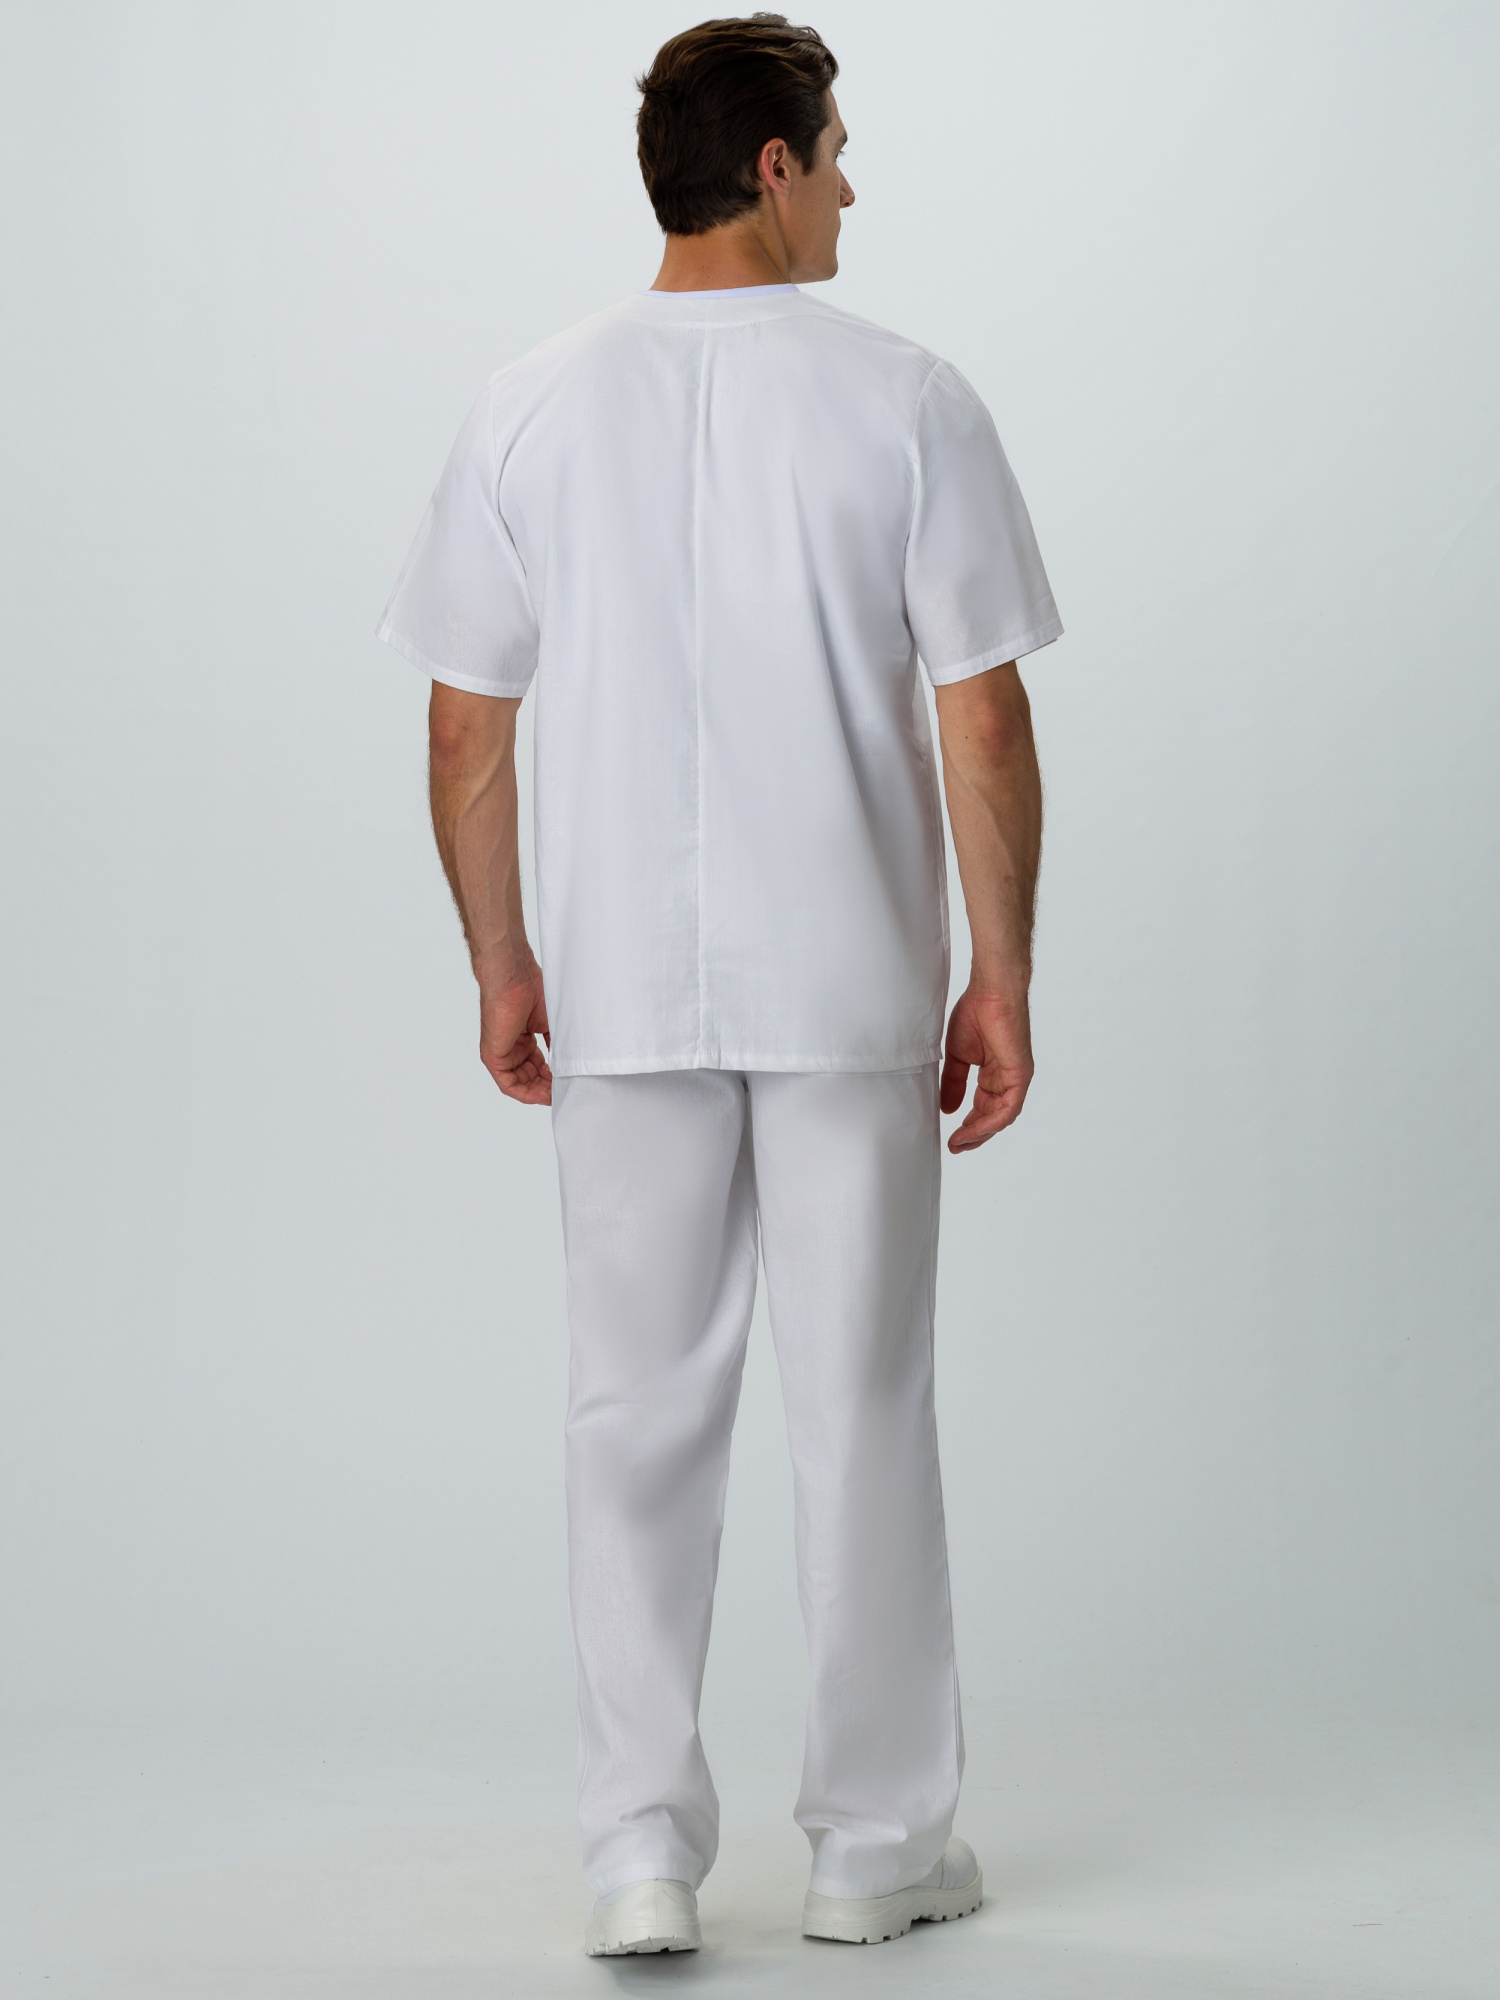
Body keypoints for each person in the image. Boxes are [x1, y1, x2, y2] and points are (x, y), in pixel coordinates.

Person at [377, 12, 1060, 1959]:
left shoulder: (529, 403)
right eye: (835, 153)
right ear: (772, 166)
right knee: (864, 1402)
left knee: (633, 1413)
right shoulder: (906, 397)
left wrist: (504, 959)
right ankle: (873, 1848)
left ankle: (637, 1853)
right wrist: (1002, 973)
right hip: (848, 979)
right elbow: (983, 713)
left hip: (620, 989)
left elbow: (465, 720)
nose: (850, 186)